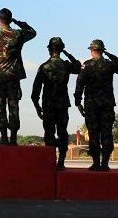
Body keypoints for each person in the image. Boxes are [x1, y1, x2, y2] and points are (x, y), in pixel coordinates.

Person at [0, 8, 36, 146]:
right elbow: (33, 32)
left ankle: (4, 137)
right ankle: (13, 138)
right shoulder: (18, 34)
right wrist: (19, 23)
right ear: (10, 19)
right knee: (14, 106)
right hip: (14, 76)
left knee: (0, 106)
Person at [73, 39, 118, 171]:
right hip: (107, 104)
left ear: (92, 51)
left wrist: (78, 102)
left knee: (94, 134)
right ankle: (105, 163)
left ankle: (96, 162)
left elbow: (79, 84)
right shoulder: (109, 64)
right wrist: (110, 55)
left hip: (92, 105)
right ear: (102, 50)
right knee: (106, 134)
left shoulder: (87, 65)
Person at [31, 37, 81, 169]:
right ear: (61, 49)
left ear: (49, 50)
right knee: (62, 132)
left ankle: (51, 161)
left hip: (48, 105)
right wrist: (66, 53)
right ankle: (61, 162)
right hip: (62, 104)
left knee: (49, 133)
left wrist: (37, 107)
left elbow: (35, 91)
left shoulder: (44, 67)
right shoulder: (66, 65)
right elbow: (78, 67)